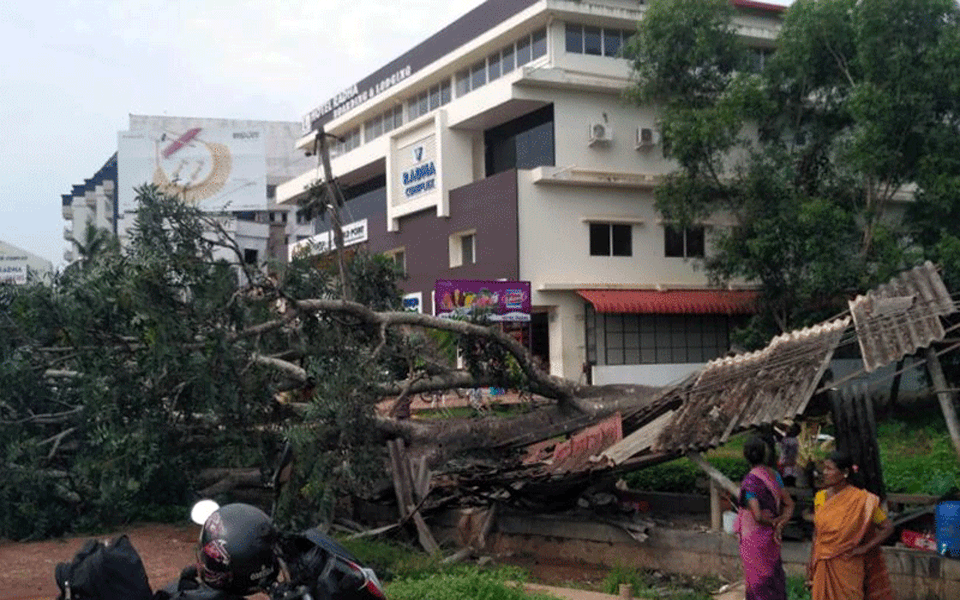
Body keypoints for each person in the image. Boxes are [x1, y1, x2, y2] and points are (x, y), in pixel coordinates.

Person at [807, 451, 894, 600]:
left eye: (829, 469)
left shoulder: (862, 500)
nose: (825, 473)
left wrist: (864, 548)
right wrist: (810, 564)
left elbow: (887, 527)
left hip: (848, 564)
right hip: (823, 563)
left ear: (845, 472)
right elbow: (817, 534)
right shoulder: (820, 497)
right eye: (824, 469)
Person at [736, 436, 795, 600]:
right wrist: (781, 521)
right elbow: (789, 504)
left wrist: (772, 522)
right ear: (766, 454)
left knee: (756, 582)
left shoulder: (750, 481)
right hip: (771, 538)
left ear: (745, 455)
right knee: (773, 577)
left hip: (754, 539)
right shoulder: (774, 475)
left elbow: (757, 515)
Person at [777, 422, 802, 487]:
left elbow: (788, 455)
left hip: (787, 470)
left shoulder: (789, 441)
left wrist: (782, 464)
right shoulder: (794, 440)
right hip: (790, 469)